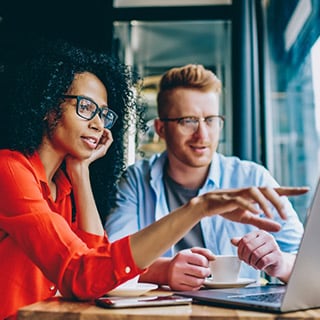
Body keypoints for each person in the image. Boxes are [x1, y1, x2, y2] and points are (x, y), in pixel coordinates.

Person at [0, 40, 307, 319]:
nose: (97, 123)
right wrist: (197, 209)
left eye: (103, 114)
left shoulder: (63, 188)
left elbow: (94, 264)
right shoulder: (10, 170)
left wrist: (80, 172)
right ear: (47, 107)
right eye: (86, 107)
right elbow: (88, 273)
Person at [105, 64, 306, 291]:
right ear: (161, 129)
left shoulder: (252, 177)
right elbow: (110, 260)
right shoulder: (136, 180)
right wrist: (164, 270)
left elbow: (309, 263)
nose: (202, 134)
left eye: (210, 120)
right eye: (188, 121)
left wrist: (280, 263)